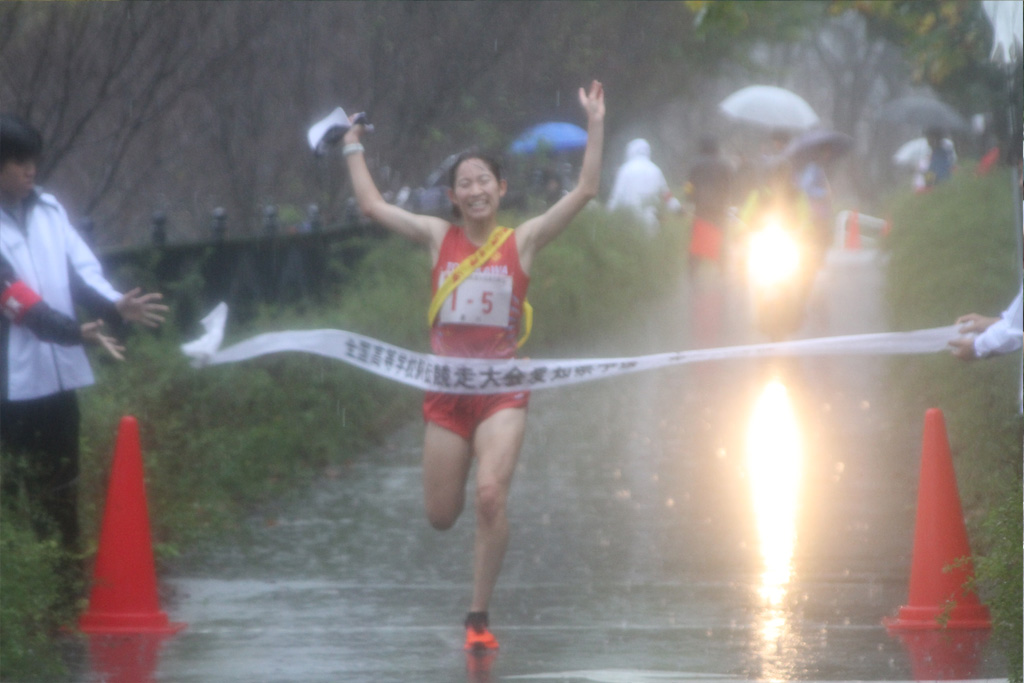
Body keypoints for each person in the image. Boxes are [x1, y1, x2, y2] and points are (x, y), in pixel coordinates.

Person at [340, 81, 604, 652]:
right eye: (466, 183)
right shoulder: (438, 237)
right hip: (446, 393)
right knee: (441, 515)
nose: (477, 189)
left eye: (485, 179)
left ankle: (478, 617)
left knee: (490, 496)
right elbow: (371, 206)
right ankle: (465, 526)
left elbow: (586, 189)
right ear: (454, 198)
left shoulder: (524, 240)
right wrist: (350, 146)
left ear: (502, 189)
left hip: (503, 391)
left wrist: (596, 122)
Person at [0, 113, 168, 562]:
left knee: (63, 483)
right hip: (11, 386)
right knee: (19, 489)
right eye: (16, 161)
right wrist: (74, 332)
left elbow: (82, 273)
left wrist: (115, 306)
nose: (29, 169)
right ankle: (29, 595)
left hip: (59, 378)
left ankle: (66, 583)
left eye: (31, 158)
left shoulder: (50, 210)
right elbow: (18, 303)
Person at [607, 138, 680, 236]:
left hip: (628, 218)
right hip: (650, 220)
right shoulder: (655, 170)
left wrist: (607, 215)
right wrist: (677, 209)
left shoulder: (625, 169)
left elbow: (616, 196)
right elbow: (666, 195)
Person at [685, 136, 734, 272]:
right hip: (719, 210)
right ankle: (723, 275)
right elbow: (729, 186)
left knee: (697, 245)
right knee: (720, 242)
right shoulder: (724, 165)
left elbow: (689, 185)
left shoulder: (695, 164)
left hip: (701, 210)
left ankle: (693, 276)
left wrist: (689, 199)